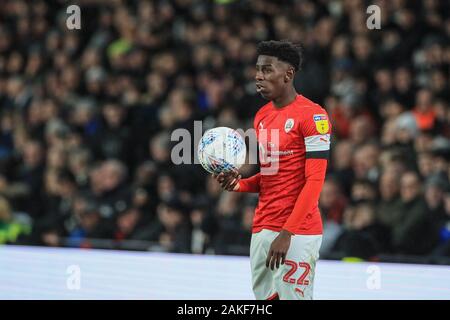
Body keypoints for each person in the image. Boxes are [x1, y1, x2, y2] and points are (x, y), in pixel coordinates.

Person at [214, 40, 331, 300]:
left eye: (267, 70)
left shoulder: (314, 116)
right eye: (257, 69)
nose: (258, 75)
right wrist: (239, 184)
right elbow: (270, 176)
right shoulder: (262, 116)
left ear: (288, 74)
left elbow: (314, 182)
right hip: (263, 225)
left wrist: (287, 233)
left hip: (298, 231)